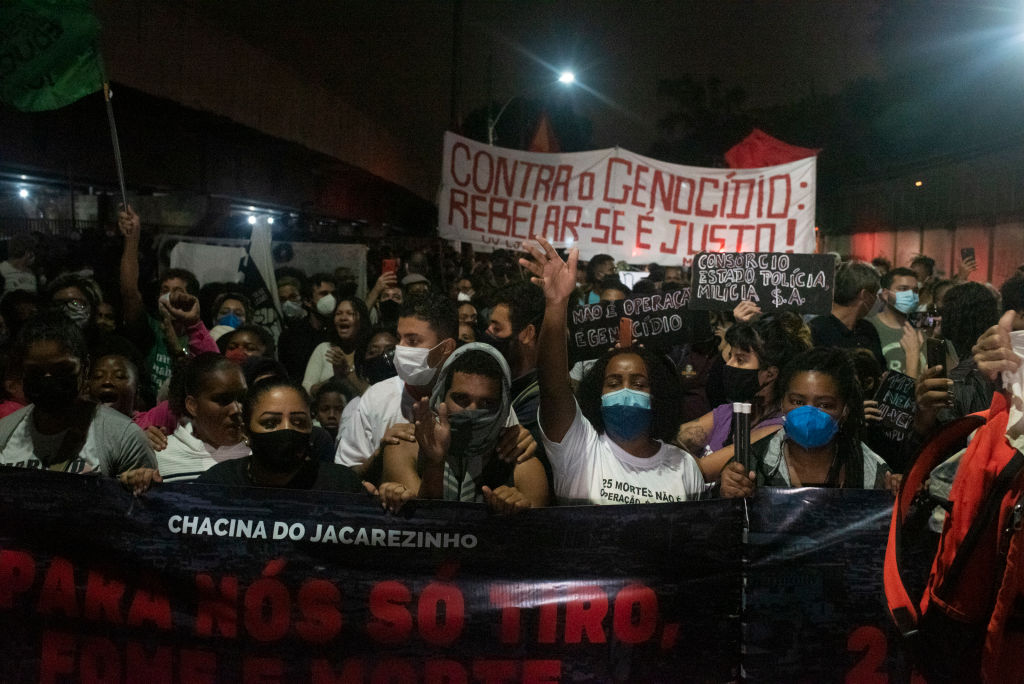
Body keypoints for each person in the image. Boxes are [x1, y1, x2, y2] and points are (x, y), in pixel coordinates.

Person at [521, 237, 705, 505]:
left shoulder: (683, 466)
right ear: (598, 392)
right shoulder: (580, 448)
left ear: (656, 395)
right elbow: (553, 388)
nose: (626, 390)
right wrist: (557, 304)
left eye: (639, 383)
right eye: (614, 382)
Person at [336, 293, 532, 475]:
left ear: (446, 348)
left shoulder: (483, 399)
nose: (400, 348)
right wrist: (381, 454)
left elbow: (513, 456)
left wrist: (521, 441)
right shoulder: (377, 397)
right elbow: (345, 476)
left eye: (412, 341)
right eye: (399, 338)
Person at [376, 345, 549, 513]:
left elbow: (536, 535)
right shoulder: (404, 449)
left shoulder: (524, 467)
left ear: (502, 408)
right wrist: (434, 462)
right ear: (441, 395)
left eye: (487, 403)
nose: (472, 411)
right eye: (461, 399)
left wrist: (516, 514)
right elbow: (423, 524)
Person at [720, 347, 893, 497]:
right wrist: (728, 493)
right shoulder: (751, 463)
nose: (809, 413)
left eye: (825, 405)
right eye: (797, 402)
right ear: (782, 403)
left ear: (845, 410)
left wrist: (898, 494)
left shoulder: (871, 470)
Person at [0, 312, 155, 476]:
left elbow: (145, 498)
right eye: (35, 371)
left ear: (85, 367)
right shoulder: (4, 434)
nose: (48, 380)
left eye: (62, 369)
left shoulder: (123, 439)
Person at [676, 312, 811, 481]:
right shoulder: (728, 412)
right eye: (730, 356)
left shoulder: (777, 429)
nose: (729, 365)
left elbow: (700, 471)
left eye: (740, 360)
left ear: (770, 374)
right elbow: (673, 438)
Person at [198, 378, 364, 491]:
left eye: (298, 422)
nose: (286, 429)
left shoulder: (341, 486)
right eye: (270, 423)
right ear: (246, 432)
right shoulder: (218, 485)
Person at [155, 353, 250, 483]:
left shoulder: (261, 457)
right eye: (223, 399)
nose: (236, 410)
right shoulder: (159, 457)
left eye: (241, 398)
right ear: (192, 405)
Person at [808, 260, 885, 368]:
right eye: (876, 294)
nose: (878, 300)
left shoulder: (868, 329)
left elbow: (882, 374)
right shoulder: (815, 331)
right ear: (864, 295)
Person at [302, 296, 372, 395]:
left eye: (350, 313)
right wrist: (336, 378)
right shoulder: (324, 349)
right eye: (338, 314)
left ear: (362, 320)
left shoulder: (370, 352)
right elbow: (306, 391)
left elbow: (373, 395)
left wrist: (347, 372)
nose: (343, 318)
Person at [277, 273, 337, 380]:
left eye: (333, 294)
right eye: (324, 294)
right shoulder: (290, 336)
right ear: (307, 301)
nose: (330, 299)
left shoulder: (340, 332)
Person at [868, 267, 924, 377]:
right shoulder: (868, 328)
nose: (910, 295)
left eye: (915, 291)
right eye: (903, 289)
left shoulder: (923, 326)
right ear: (885, 294)